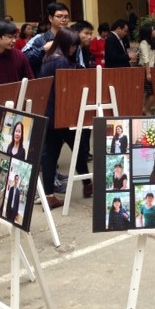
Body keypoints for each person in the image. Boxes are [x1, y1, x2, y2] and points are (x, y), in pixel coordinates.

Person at [39, 28, 93, 208]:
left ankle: (50, 195)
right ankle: (86, 185)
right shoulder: (61, 61)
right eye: (72, 46)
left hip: (52, 113)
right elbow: (71, 84)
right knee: (77, 149)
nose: (74, 49)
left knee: (52, 155)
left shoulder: (48, 59)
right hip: (64, 114)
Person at [23, 2, 71, 77]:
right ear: (50, 18)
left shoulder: (71, 38)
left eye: (66, 17)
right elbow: (25, 58)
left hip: (66, 81)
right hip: (45, 83)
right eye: (59, 16)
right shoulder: (40, 38)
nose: (64, 20)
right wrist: (44, 49)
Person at [138, 24, 155, 115]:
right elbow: (145, 58)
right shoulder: (143, 43)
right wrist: (148, 73)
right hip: (146, 70)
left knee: (149, 92)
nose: (154, 31)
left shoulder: (150, 42)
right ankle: (146, 109)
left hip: (152, 69)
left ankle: (144, 109)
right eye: (152, 30)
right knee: (153, 92)